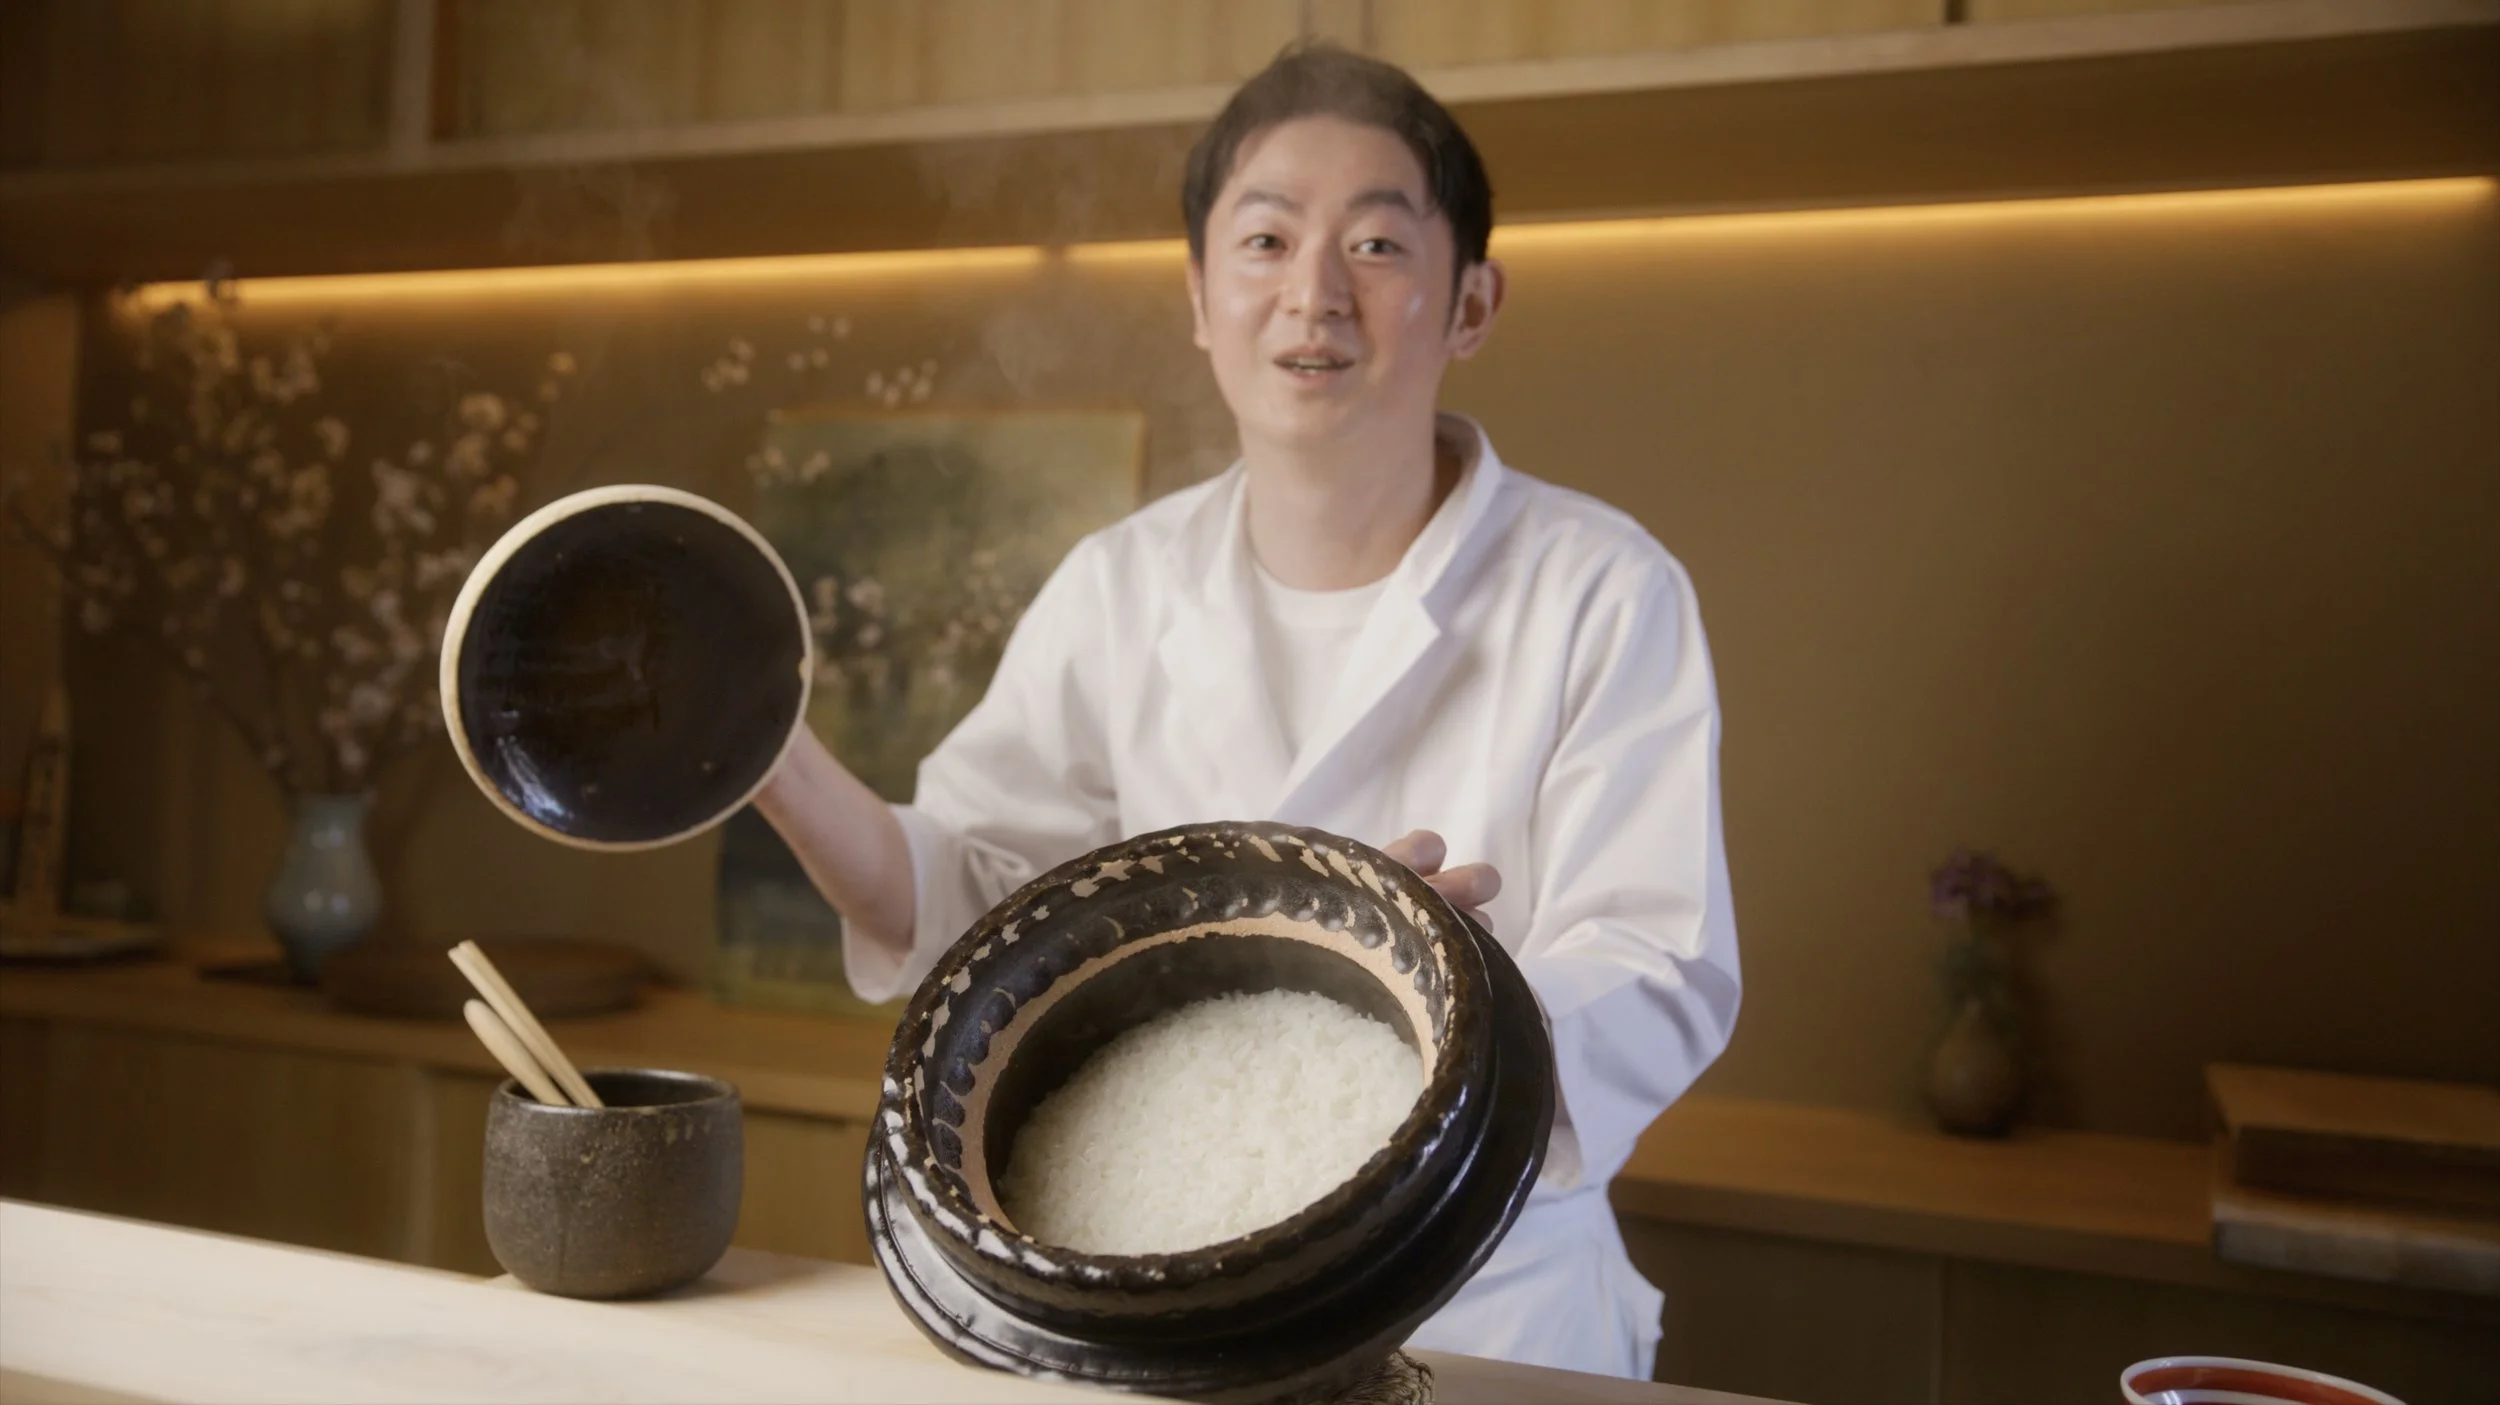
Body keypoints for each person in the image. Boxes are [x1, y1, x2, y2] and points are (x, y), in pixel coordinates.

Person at [754, 42, 1740, 1380]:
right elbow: (965, 913)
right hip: (1158, 1303)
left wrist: (1439, 1003)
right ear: (1203, 302)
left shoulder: (1601, 588)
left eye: (1380, 244)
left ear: (1471, 303)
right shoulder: (1121, 583)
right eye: (1266, 238)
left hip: (1479, 1307)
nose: (1314, 294)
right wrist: (767, 752)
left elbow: (1662, 966)